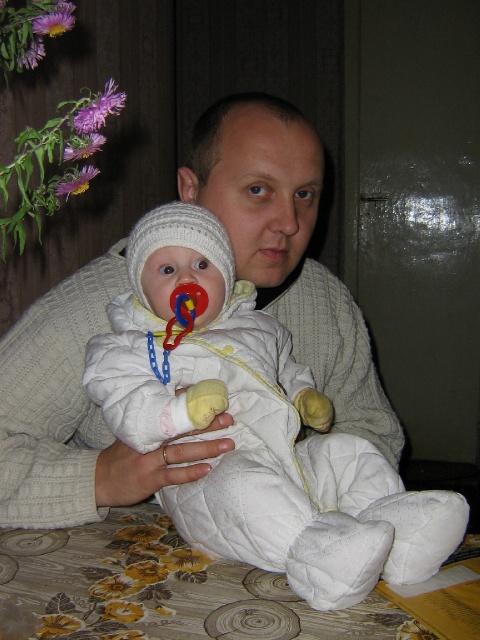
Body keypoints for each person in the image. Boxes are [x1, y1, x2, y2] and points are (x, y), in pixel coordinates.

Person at [0, 91, 406, 531]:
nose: (289, 222)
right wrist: (99, 478)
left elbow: (374, 430)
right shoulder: (89, 308)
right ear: (191, 191)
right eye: (258, 190)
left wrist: (298, 453)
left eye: (305, 194)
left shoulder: (326, 299)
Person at [82, 201, 468, 612]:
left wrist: (304, 396)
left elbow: (286, 368)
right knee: (244, 485)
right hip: (206, 477)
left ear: (226, 275)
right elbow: (125, 405)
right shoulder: (127, 350)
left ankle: (392, 533)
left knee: (349, 452)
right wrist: (180, 412)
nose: (187, 278)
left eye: (202, 264)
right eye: (166, 269)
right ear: (141, 288)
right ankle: (317, 557)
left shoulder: (259, 328)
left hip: (284, 454)